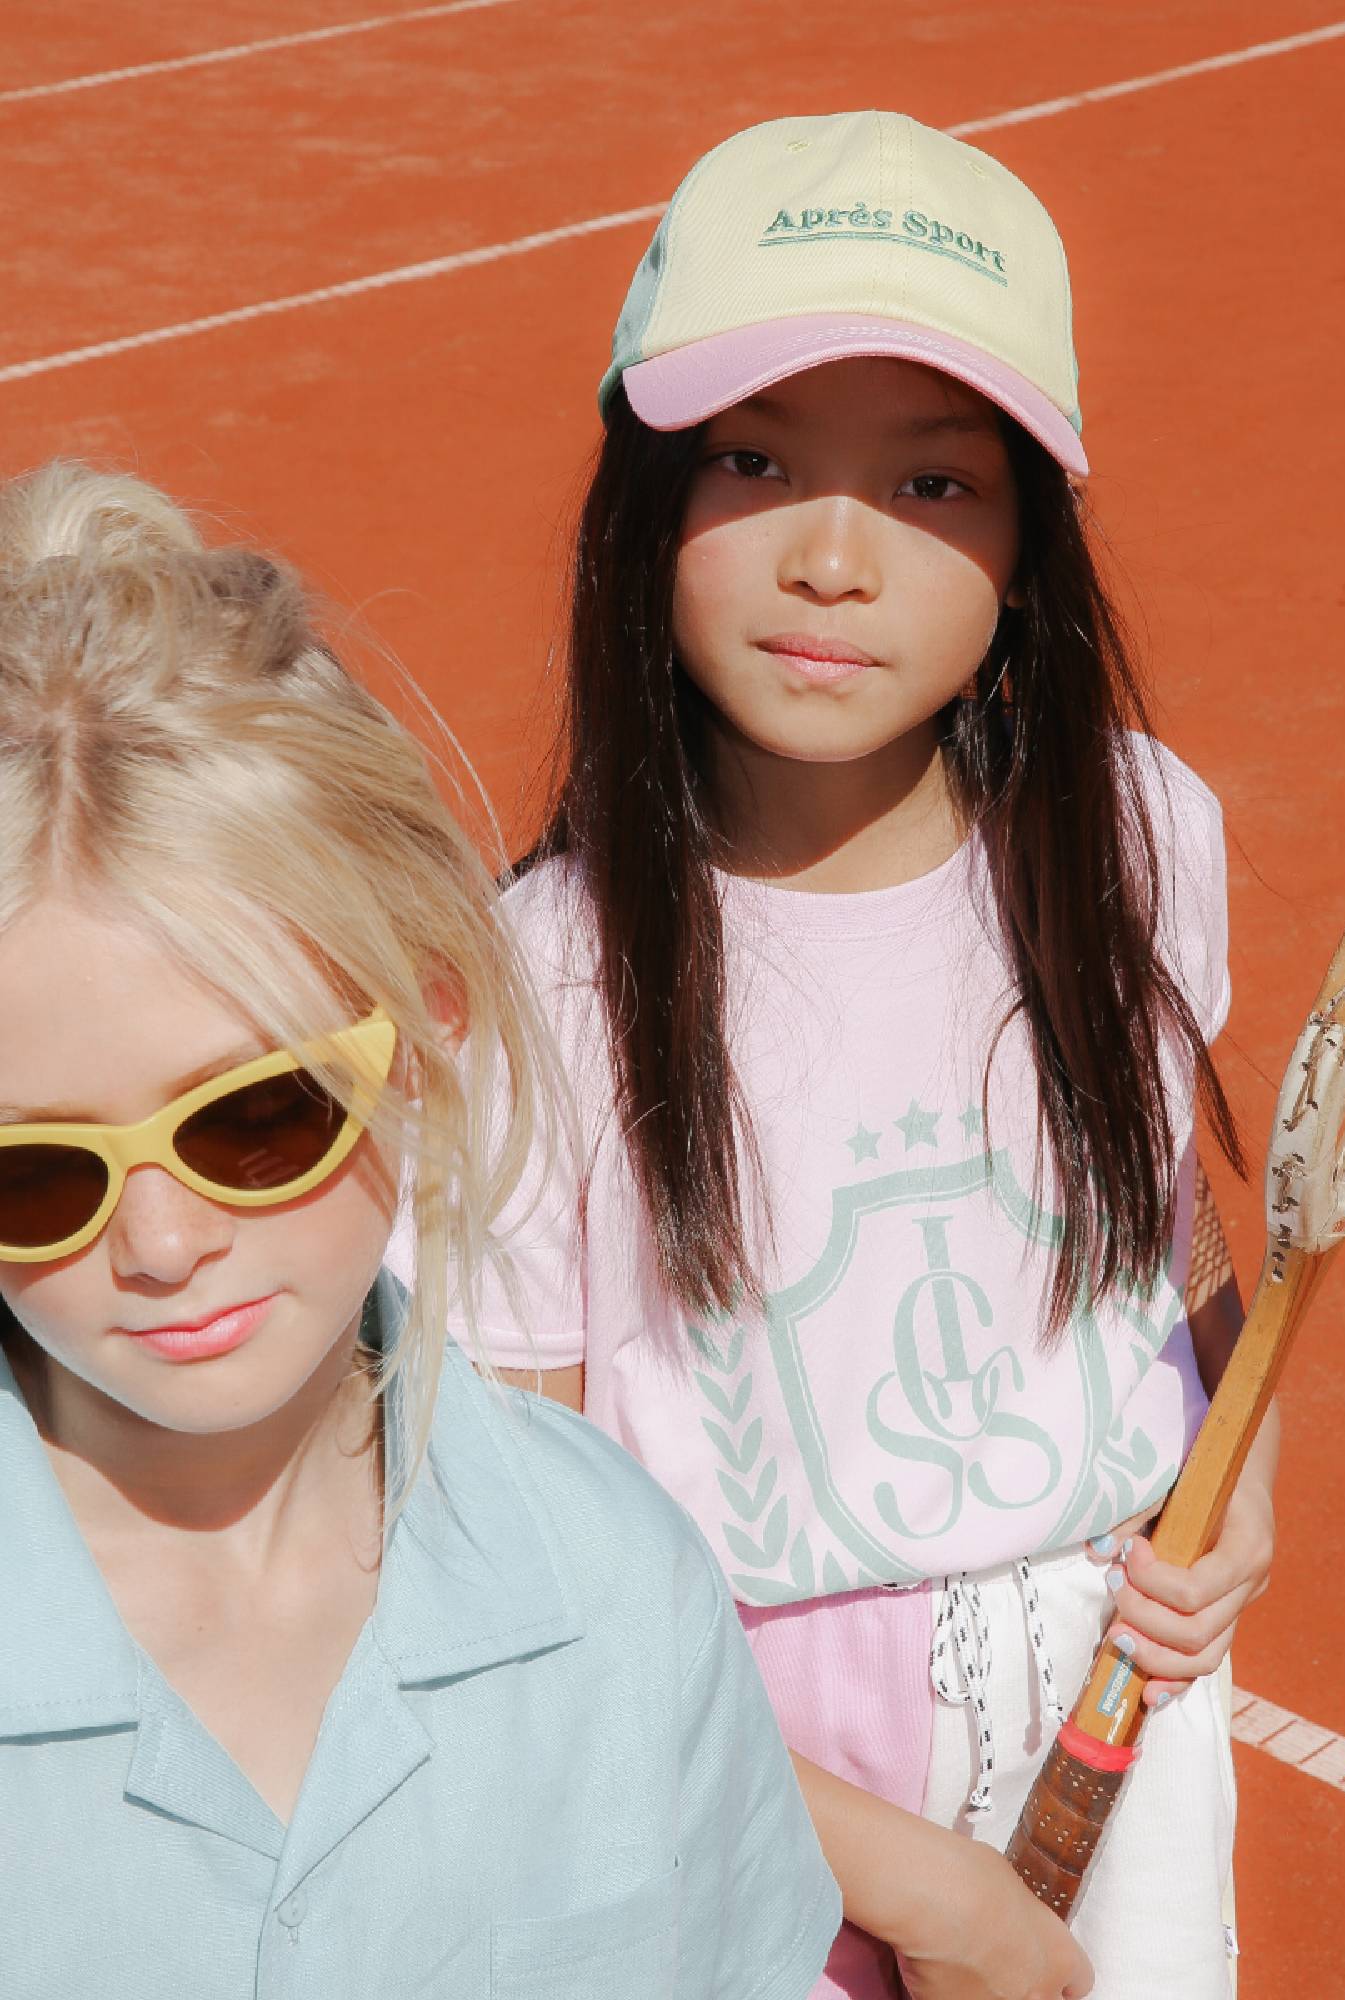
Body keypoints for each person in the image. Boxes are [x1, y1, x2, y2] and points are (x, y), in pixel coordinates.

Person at [478, 111, 1278, 1999]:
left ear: (1030, 549)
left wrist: (1245, 1459)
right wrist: (917, 1892)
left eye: (934, 486)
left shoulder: (1141, 834)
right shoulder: (546, 971)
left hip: (1117, 1686)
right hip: (747, 1754)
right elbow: (529, 1522)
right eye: (753, 461)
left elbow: (1159, 1219)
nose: (835, 559)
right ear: (643, 505)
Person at [0, 461, 840, 1999]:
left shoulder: (616, 1583)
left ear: (430, 1020)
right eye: (34, 1175)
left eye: (255, 1118)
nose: (165, 1244)